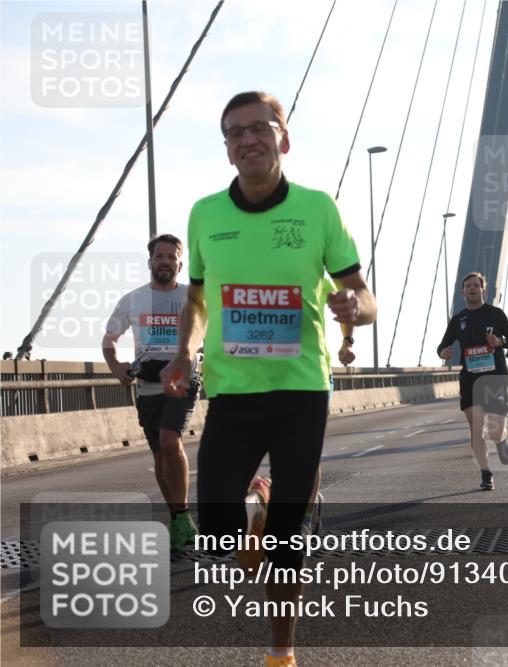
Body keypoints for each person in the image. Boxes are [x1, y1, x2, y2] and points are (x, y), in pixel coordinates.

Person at [160, 91, 375, 667]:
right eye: (235, 133)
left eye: (260, 128)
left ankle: (281, 654)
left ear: (284, 138)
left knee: (285, 543)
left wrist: (357, 310)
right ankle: (264, 496)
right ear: (227, 149)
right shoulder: (205, 214)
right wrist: (183, 351)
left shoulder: (318, 209)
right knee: (220, 531)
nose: (247, 139)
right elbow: (198, 301)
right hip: (232, 391)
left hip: (302, 389)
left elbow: (363, 293)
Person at [102, 233, 200, 552]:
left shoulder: (193, 298)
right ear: (150, 262)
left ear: (180, 264)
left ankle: (184, 516)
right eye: (160, 256)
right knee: (159, 458)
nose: (165, 261)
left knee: (171, 442)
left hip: (182, 381)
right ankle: (176, 519)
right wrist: (117, 368)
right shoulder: (132, 300)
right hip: (146, 387)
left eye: (172, 257)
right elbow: (109, 339)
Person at [437, 272, 508, 490]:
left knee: (494, 430)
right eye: (468, 285)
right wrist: (443, 352)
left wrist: (499, 342)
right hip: (470, 380)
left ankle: (501, 440)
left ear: (483, 290)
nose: (472, 288)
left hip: (495, 379)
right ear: (463, 291)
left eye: (476, 285)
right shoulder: (458, 320)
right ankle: (486, 473)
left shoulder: (495, 314)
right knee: (476, 427)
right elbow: (442, 346)